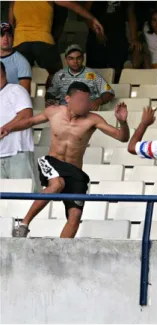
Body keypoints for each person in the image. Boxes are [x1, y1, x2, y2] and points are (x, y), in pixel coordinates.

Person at [0, 81, 130, 238]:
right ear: (68, 99)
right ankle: (23, 225)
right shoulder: (53, 112)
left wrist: (122, 122)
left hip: (75, 171)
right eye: (80, 100)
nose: (85, 105)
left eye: (87, 101)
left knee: (75, 216)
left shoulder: (93, 119)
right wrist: (7, 128)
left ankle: (60, 251)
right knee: (57, 184)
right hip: (51, 161)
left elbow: (122, 138)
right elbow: (29, 122)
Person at [9, 1, 104, 87]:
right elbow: (73, 5)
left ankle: (21, 103)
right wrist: (92, 18)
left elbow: (11, 22)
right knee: (56, 74)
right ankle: (51, 102)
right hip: (43, 40)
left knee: (22, 77)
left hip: (20, 42)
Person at [83, 1, 142, 82]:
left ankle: (117, 91)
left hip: (118, 35)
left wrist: (134, 38)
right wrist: (96, 31)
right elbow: (85, 13)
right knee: (95, 68)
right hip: (96, 35)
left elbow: (131, 14)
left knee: (118, 70)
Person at [45, 44, 115, 110]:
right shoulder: (59, 75)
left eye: (78, 58)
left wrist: (98, 101)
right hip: (65, 112)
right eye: (71, 58)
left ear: (83, 58)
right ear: (66, 59)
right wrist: (50, 101)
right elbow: (50, 93)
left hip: (87, 113)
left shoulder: (92, 74)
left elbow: (109, 93)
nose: (75, 61)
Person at [0, 62, 36, 189]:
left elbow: (26, 115)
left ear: (4, 73)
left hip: (17, 152)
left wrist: (5, 129)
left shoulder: (16, 90)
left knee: (24, 196)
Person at [0, 22, 31, 93]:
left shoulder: (22, 62)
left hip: (10, 102)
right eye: (1, 35)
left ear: (13, 38)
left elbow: (24, 94)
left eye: (9, 35)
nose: (5, 39)